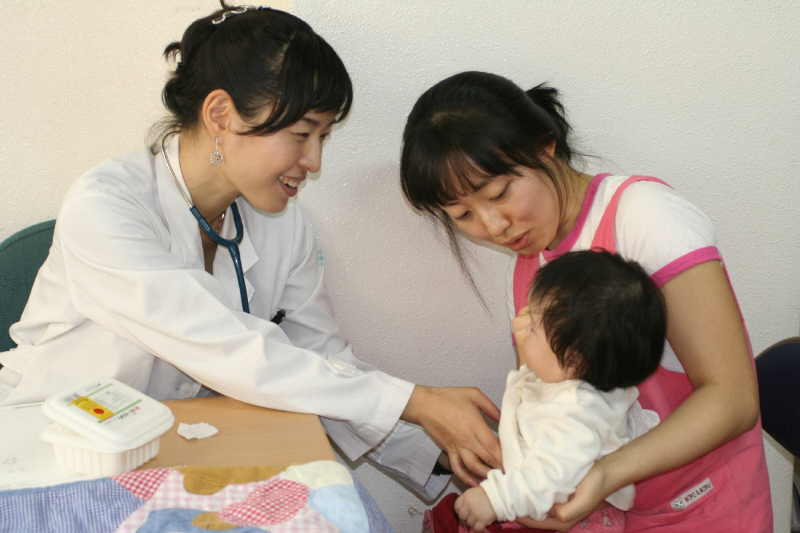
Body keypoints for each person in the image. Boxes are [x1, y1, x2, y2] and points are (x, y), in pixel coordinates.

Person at [0, 4, 501, 498]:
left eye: (323, 137)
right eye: (302, 134)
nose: (314, 161)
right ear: (220, 114)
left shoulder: (284, 224)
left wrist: (448, 449)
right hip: (51, 454)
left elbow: (320, 361)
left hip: (176, 453)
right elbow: (225, 347)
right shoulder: (107, 205)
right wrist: (414, 401)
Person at [400, 71, 772, 531]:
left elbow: (733, 400)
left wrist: (604, 475)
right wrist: (524, 481)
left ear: (545, 147)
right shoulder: (531, 265)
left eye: (499, 193)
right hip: (612, 515)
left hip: (705, 507)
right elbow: (554, 407)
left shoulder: (646, 218)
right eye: (462, 215)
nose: (493, 226)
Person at [444, 250, 665, 532]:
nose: (521, 322)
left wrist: (495, 498)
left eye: (533, 326)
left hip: (580, 522)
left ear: (572, 361)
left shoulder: (576, 412)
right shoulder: (562, 380)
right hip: (536, 503)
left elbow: (552, 475)